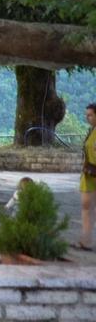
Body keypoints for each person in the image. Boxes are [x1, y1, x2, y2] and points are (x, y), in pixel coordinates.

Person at [77, 103, 96, 251]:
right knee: (86, 206)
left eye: (90, 115)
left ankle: (87, 239)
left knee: (89, 207)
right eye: (87, 115)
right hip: (89, 173)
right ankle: (86, 239)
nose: (87, 118)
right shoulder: (91, 131)